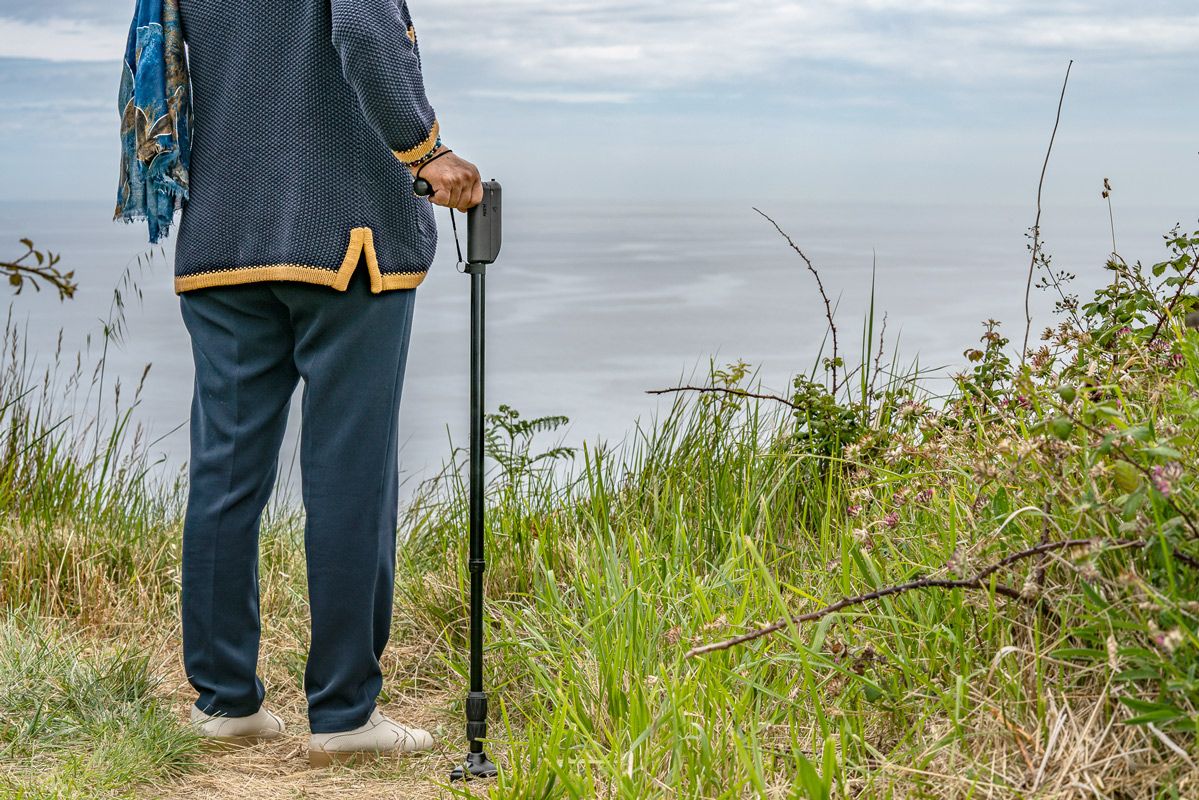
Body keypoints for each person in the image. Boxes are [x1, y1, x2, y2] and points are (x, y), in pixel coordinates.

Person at [171, 0, 483, 766]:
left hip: (219, 237)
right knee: (350, 478)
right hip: (348, 240)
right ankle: (344, 717)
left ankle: (225, 705)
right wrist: (425, 151)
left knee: (224, 474)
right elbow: (364, 32)